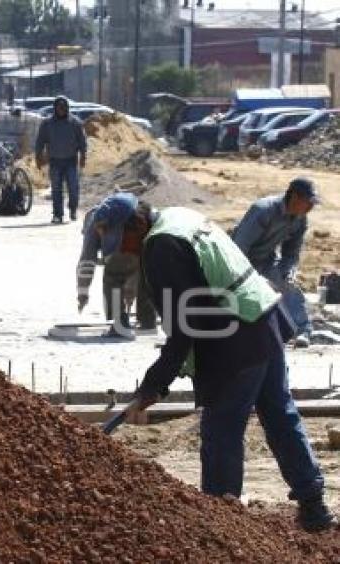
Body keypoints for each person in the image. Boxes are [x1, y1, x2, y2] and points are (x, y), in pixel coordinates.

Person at [93, 196, 335, 533]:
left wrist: (152, 385)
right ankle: (314, 506)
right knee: (281, 413)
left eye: (123, 241)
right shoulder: (178, 215)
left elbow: (183, 329)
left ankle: (222, 529)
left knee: (221, 431)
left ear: (137, 224)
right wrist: (158, 382)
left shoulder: (161, 246)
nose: (124, 251)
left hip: (235, 339)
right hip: (264, 320)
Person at [231, 178, 318, 348]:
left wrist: (288, 272)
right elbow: (238, 248)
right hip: (239, 263)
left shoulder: (300, 219)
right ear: (294, 197)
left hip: (266, 260)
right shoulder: (264, 210)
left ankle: (302, 331)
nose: (310, 208)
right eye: (308, 202)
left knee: (287, 285)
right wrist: (252, 277)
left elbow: (291, 253)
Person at [77, 193, 156, 338]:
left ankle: (120, 325)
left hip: (127, 240)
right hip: (148, 235)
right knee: (146, 274)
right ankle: (148, 322)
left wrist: (82, 292)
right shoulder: (141, 210)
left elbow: (87, 260)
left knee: (113, 276)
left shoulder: (94, 223)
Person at [34, 96, 87, 224]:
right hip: (55, 161)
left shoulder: (75, 123)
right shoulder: (47, 124)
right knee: (56, 189)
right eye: (59, 107)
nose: (61, 110)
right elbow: (40, 141)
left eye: (64, 107)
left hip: (71, 161)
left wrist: (83, 156)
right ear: (55, 108)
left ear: (67, 108)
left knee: (73, 188)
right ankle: (58, 214)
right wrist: (38, 157)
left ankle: (73, 209)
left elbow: (82, 141)